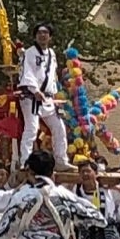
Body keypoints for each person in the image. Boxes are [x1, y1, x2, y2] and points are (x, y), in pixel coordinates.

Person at [18, 24, 71, 170]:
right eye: (40, 32)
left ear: (50, 36)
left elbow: (51, 76)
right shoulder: (29, 53)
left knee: (59, 127)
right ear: (35, 36)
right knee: (32, 129)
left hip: (48, 98)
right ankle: (25, 162)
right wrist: (35, 90)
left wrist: (55, 95)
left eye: (46, 33)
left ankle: (61, 159)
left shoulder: (52, 54)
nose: (43, 35)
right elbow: (27, 72)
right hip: (32, 97)